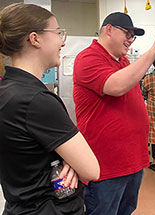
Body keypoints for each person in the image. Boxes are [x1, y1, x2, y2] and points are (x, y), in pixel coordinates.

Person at [0, 3, 99, 215]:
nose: (63, 41)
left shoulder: (8, 89)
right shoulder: (36, 101)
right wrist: (72, 161)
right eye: (58, 32)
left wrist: (66, 159)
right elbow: (91, 169)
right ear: (35, 39)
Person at [73, 12, 155, 215]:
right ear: (109, 30)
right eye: (127, 34)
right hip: (106, 167)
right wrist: (153, 50)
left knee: (126, 210)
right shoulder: (88, 58)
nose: (130, 41)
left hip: (132, 162)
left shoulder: (123, 62)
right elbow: (116, 86)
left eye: (133, 37)